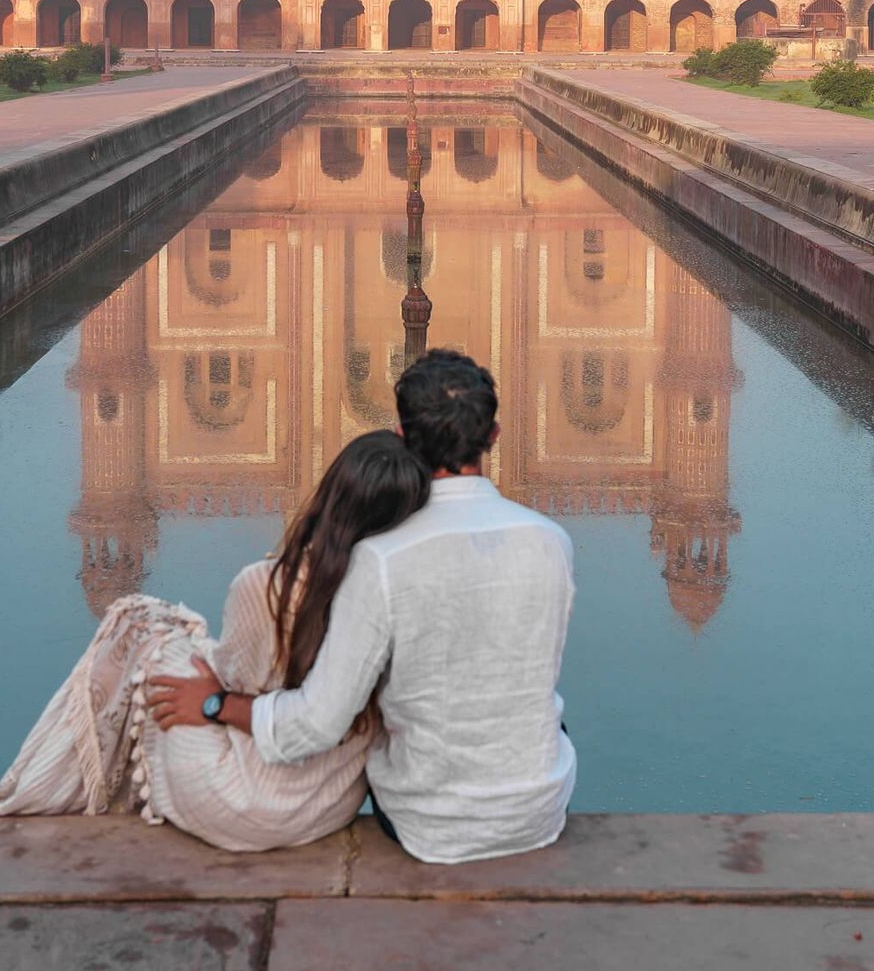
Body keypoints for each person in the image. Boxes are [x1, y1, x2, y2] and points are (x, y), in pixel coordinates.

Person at [152, 349, 577, 864]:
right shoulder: (552, 541)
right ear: (494, 435)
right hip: (540, 810)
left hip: (433, 825)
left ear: (402, 436)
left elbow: (318, 723)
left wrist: (216, 705)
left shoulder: (381, 558)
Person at [0, 429, 429, 851]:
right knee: (169, 644)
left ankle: (44, 787)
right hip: (329, 802)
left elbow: (232, 682)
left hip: (241, 796)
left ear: (330, 495)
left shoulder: (267, 585)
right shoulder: (406, 594)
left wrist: (208, 693)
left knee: (139, 629)